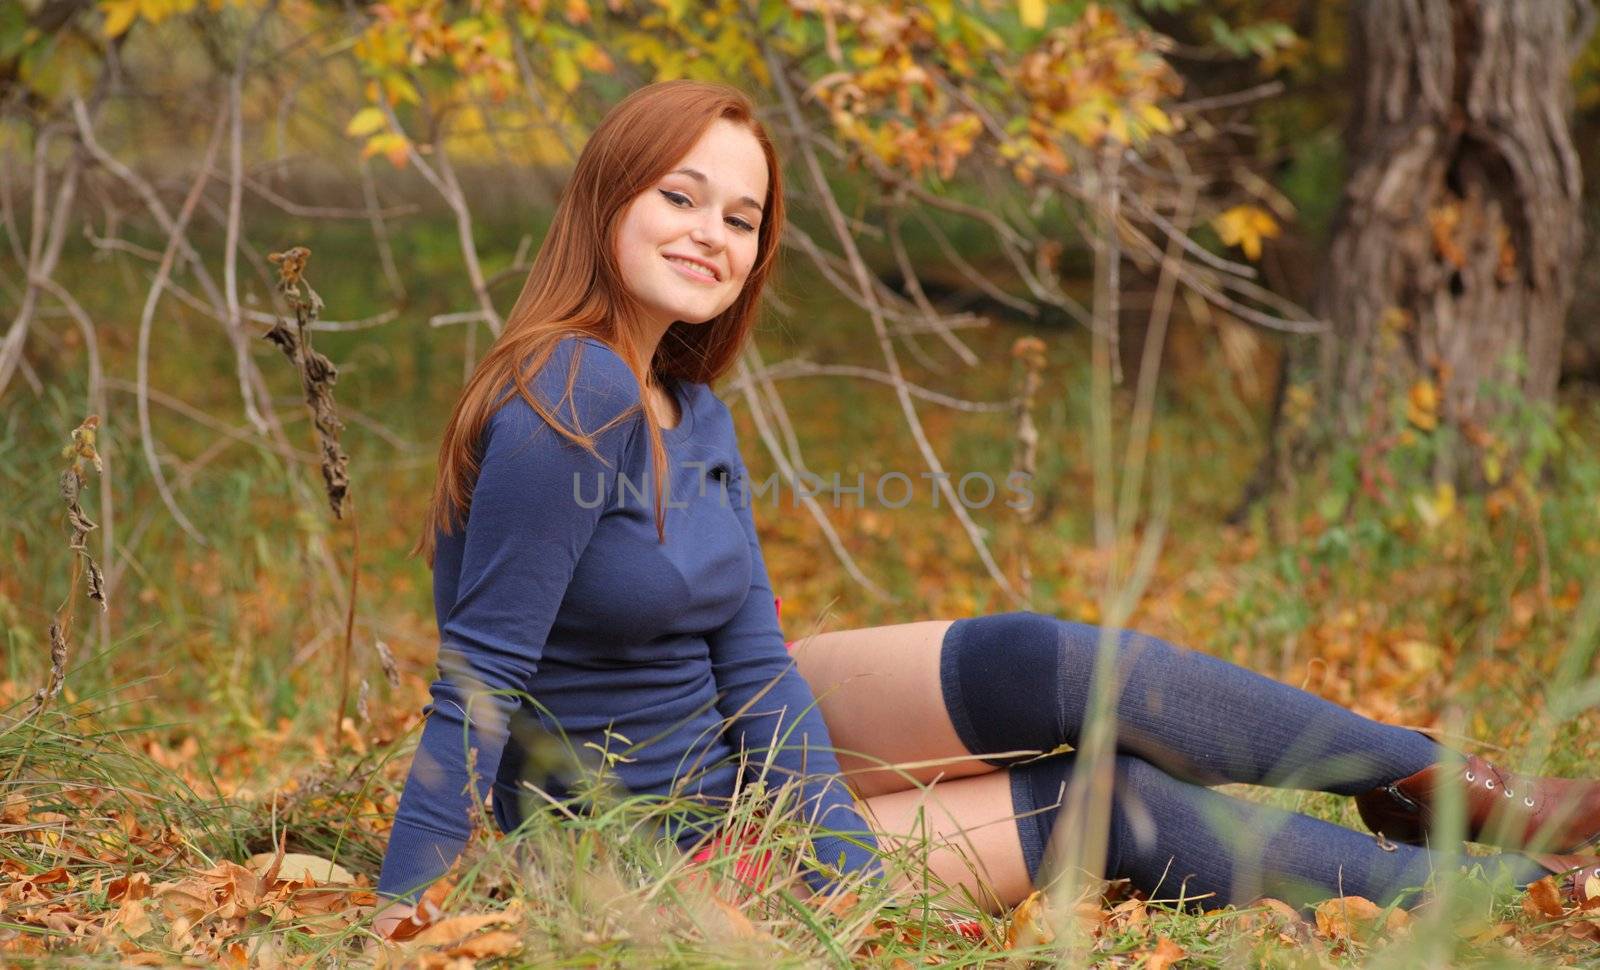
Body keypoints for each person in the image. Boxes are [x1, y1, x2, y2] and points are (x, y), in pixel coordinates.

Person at [371, 79, 1600, 937]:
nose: (712, 236)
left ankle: (1443, 782)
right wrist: (404, 912)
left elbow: (750, 660)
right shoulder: (566, 389)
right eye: (679, 198)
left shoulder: (688, 405)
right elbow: (475, 678)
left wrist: (837, 847)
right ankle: (1478, 893)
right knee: (1111, 801)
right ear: (608, 198)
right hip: (657, 841)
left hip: (730, 759)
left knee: (1042, 660)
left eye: (741, 217)